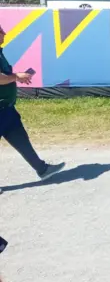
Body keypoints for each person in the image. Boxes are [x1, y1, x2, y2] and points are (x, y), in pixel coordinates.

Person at [0, 24, 64, 193]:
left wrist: (17, 78)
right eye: (0, 31)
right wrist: (17, 76)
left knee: (20, 138)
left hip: (6, 109)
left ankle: (42, 169)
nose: (4, 33)